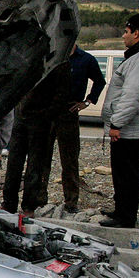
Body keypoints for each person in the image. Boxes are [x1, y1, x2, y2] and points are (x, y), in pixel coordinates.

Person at [99, 14, 139, 228]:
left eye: (126, 32)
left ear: (137, 33)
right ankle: (121, 210)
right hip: (131, 127)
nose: (123, 36)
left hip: (130, 128)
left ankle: (125, 217)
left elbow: (133, 95)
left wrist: (117, 123)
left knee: (126, 173)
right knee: (123, 172)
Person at [40, 44, 106, 213]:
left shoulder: (85, 59)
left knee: (69, 160)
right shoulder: (52, 55)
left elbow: (99, 81)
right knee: (41, 157)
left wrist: (88, 101)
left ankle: (71, 201)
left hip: (69, 112)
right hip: (47, 112)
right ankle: (39, 199)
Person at [1, 62, 71, 216]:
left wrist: (47, 115)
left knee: (35, 165)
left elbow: (62, 93)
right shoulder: (30, 57)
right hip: (20, 118)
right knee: (14, 163)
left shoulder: (59, 63)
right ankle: (8, 203)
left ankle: (29, 206)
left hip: (40, 120)